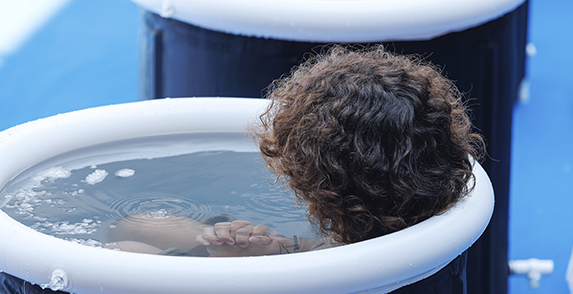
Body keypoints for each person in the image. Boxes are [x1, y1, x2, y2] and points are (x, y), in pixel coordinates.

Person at [105, 45, 483, 257]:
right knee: (140, 222)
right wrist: (271, 247)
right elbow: (335, 246)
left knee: (125, 247)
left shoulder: (353, 261)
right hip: (314, 252)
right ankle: (216, 239)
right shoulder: (405, 219)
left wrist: (248, 262)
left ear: (316, 180)